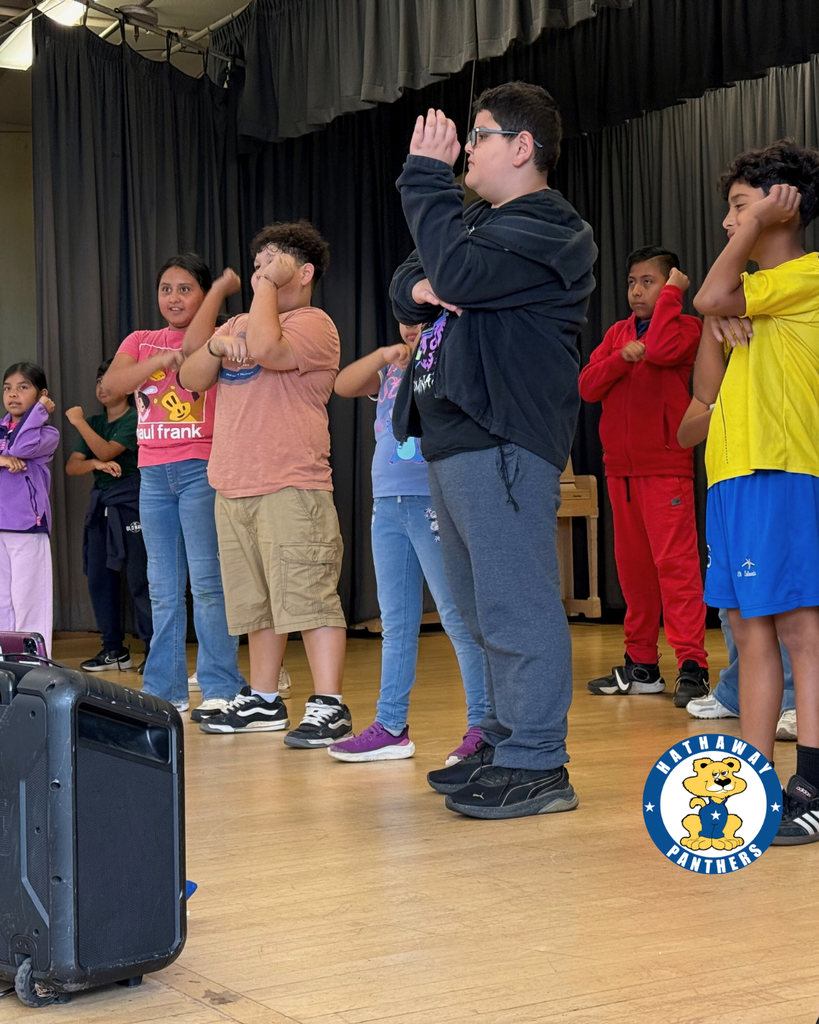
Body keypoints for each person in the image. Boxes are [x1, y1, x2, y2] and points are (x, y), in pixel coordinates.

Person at [389, 82, 597, 819]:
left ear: (519, 147)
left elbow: (454, 275)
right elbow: (412, 277)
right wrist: (420, 284)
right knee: (479, 607)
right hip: (454, 437)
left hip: (503, 437)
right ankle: (507, 742)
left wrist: (424, 179)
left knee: (515, 601)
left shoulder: (551, 225)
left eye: (477, 137)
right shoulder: (480, 222)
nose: (465, 150)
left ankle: (538, 761)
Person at [178, 221, 352, 748]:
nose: (260, 273)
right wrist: (214, 346)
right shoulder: (243, 322)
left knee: (309, 596)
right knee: (258, 604)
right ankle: (263, 700)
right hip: (234, 487)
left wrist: (261, 293)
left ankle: (329, 706)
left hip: (291, 486)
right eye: (257, 265)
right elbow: (190, 378)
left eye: (271, 265)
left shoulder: (313, 323)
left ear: (303, 273)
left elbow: (271, 352)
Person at [692, 140, 819, 845]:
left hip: (782, 467)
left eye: (738, 208)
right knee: (748, 632)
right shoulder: (747, 297)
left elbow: (709, 293)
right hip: (732, 475)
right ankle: (755, 777)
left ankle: (814, 781)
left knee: (803, 631)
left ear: (779, 206)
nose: (726, 223)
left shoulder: (808, 274)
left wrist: (745, 238)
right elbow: (704, 384)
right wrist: (717, 322)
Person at [328, 322, 488, 765]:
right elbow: (343, 384)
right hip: (388, 504)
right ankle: (391, 726)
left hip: (430, 500)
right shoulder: (392, 368)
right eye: (405, 318)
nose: (411, 327)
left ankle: (482, 726)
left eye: (422, 318)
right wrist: (384, 356)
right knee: (396, 622)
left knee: (457, 618)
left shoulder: (446, 358)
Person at [102, 253, 243, 718]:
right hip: (153, 474)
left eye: (186, 288)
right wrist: (161, 357)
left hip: (201, 468)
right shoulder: (141, 340)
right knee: (161, 585)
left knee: (207, 583)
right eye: (166, 288)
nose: (174, 297)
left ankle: (221, 683)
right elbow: (110, 388)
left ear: (203, 294)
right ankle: (166, 688)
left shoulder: (220, 335)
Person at [579, 247, 709, 705]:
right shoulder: (616, 334)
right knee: (634, 574)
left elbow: (664, 349)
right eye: (632, 281)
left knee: (676, 569)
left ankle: (692, 664)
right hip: (621, 473)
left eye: (649, 282)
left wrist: (675, 294)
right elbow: (588, 385)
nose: (637, 291)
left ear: (670, 283)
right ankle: (642, 665)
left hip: (666, 470)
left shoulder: (687, 328)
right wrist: (620, 360)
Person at [677, 376, 796, 739]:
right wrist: (724, 411)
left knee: (782, 602)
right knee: (734, 606)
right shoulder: (724, 358)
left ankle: (792, 702)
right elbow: (686, 433)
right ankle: (735, 691)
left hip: (778, 472)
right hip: (727, 480)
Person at [65, 358, 152, 673]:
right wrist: (95, 465)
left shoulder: (134, 417)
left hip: (132, 503)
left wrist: (78, 423)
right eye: (98, 380)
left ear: (128, 387)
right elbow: (74, 465)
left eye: (109, 380)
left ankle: (153, 650)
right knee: (100, 578)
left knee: (140, 578)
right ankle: (113, 649)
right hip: (101, 504)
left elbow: (105, 451)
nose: (102, 386)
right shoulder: (94, 422)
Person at [0, 362, 59, 655]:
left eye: (23, 387)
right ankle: (5, 662)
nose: (13, 394)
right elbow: (8, 454)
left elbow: (21, 448)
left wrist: (39, 413)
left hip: (27, 527)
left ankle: (33, 664)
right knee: (2, 601)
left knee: (29, 600)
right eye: (8, 388)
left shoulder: (47, 433)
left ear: (42, 394)